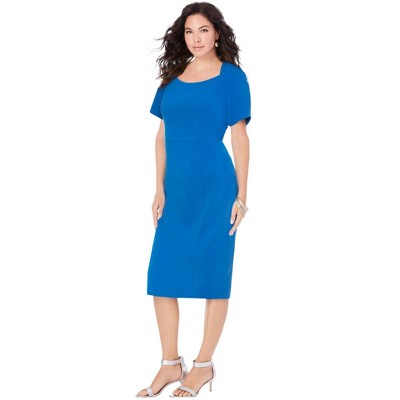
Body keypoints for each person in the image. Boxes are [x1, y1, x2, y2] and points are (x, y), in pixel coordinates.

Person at [136, 2, 251, 397]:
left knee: (214, 276)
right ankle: (170, 363)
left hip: (215, 188)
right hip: (177, 189)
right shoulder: (172, 77)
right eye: (189, 31)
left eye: (203, 30)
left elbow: (239, 136)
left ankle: (202, 366)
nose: (196, 38)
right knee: (161, 276)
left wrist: (242, 194)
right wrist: (158, 187)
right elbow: (162, 134)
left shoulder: (232, 78)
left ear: (217, 33)